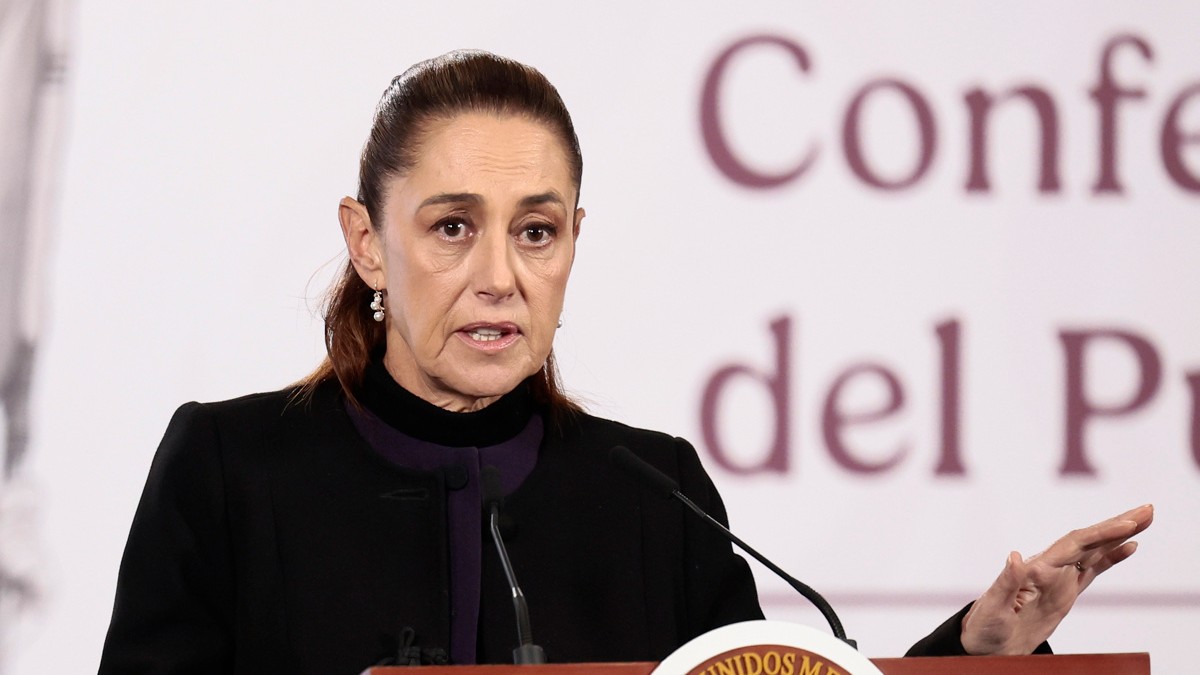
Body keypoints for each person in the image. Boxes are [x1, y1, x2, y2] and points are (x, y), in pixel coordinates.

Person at [97, 50, 1153, 674]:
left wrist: (978, 648)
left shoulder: (654, 495)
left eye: (538, 231)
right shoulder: (231, 470)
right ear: (368, 240)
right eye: (453, 227)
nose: (501, 275)